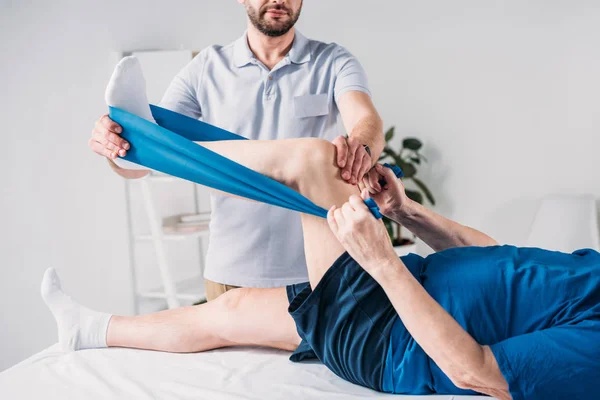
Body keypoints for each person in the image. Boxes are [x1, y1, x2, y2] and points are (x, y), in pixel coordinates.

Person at [46, 67, 600, 400]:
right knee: (231, 311)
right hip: (400, 291)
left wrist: (382, 261)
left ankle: (152, 152)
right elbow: (504, 262)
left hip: (390, 334)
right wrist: (407, 213)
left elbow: (476, 372)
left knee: (314, 161)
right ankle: (88, 330)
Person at [88, 0, 384, 300]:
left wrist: (361, 145)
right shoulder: (206, 67)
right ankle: (139, 129)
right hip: (232, 274)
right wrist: (118, 145)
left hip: (317, 271)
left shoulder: (333, 61)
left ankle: (144, 131)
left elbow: (365, 119)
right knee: (160, 143)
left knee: (314, 155)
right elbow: (149, 164)